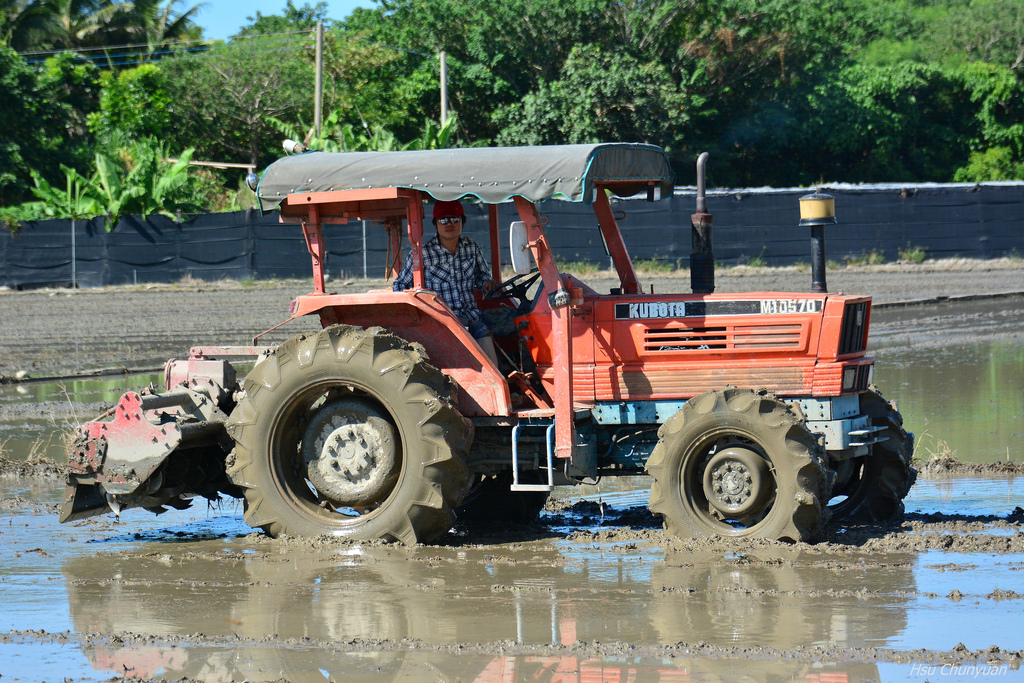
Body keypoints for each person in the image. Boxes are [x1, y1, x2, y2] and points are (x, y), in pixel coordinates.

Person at [393, 199, 500, 366]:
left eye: (454, 219)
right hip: (442, 319)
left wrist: (487, 282)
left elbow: (482, 276)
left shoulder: (471, 247)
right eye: (443, 220)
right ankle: (497, 381)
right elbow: (400, 285)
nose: (449, 224)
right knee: (482, 330)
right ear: (435, 224)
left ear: (462, 222)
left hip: (470, 314)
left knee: (513, 323)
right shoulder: (423, 254)